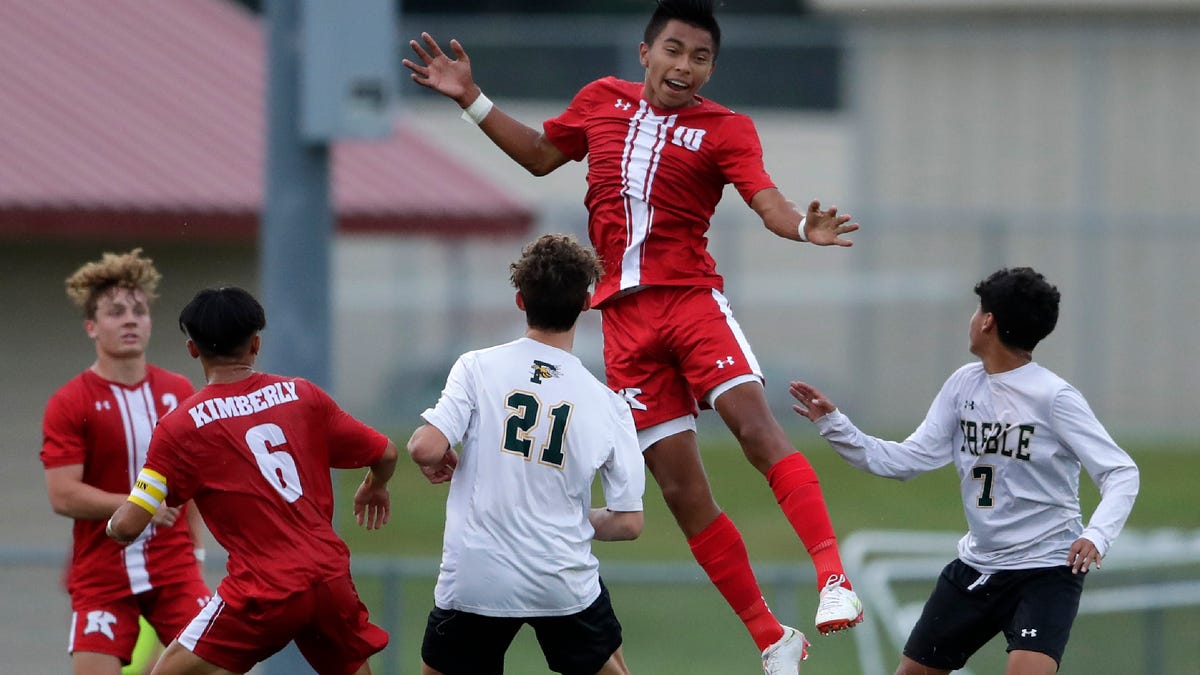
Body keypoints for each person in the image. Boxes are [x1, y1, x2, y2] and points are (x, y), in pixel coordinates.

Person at [404, 0, 860, 669]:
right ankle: (771, 636)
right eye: (674, 50)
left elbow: (766, 199)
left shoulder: (726, 128)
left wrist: (799, 227)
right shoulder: (600, 102)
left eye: (701, 57)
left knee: (758, 432)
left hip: (691, 303)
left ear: (711, 69)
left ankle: (832, 576)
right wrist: (469, 95)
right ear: (646, 53)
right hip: (624, 323)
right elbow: (537, 155)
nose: (686, 66)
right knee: (681, 493)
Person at [789, 267, 1140, 675]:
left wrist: (1096, 534)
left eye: (978, 310)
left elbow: (1121, 472)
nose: (973, 319)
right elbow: (904, 461)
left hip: (1046, 570)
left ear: (988, 321)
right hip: (976, 567)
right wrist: (835, 425)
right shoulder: (963, 386)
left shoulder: (1054, 397)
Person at [105, 286, 397, 675]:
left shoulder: (180, 427)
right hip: (328, 578)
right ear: (256, 344)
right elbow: (387, 453)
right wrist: (375, 484)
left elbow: (128, 525)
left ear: (193, 349)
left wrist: (112, 524)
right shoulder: (302, 395)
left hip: (262, 590)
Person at [407, 234, 646, 675]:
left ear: (520, 301)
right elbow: (629, 523)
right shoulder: (609, 404)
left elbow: (426, 447)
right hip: (560, 576)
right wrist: (566, 516)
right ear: (587, 303)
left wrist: (430, 455)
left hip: (477, 576)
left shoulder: (476, 366)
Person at [41, 248, 211, 675]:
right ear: (92, 327)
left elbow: (195, 482)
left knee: (220, 663)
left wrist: (200, 550)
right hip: (103, 571)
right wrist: (142, 507)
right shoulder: (70, 401)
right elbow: (62, 494)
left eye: (139, 310)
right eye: (116, 312)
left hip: (175, 570)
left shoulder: (178, 391)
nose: (131, 319)